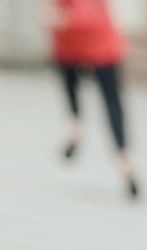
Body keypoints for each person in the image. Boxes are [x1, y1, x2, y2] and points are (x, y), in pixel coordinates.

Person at [47, 0, 138, 200]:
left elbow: (78, 14)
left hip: (89, 44)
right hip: (87, 44)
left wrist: (64, 18)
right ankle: (124, 161)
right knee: (112, 103)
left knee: (108, 102)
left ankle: (78, 128)